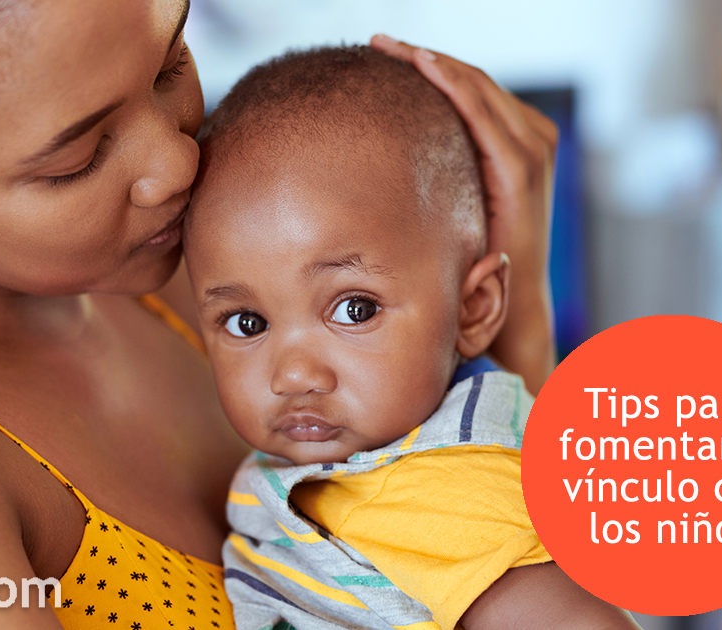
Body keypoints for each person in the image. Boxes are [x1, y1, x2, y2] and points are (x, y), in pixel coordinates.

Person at [0, 0, 559, 627]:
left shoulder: (193, 266)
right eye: (78, 157)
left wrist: (493, 332)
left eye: (171, 59)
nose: (177, 160)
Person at [184, 45, 638, 630]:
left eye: (354, 309)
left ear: (474, 308)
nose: (292, 375)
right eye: (248, 323)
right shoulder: (375, 469)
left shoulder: (447, 492)